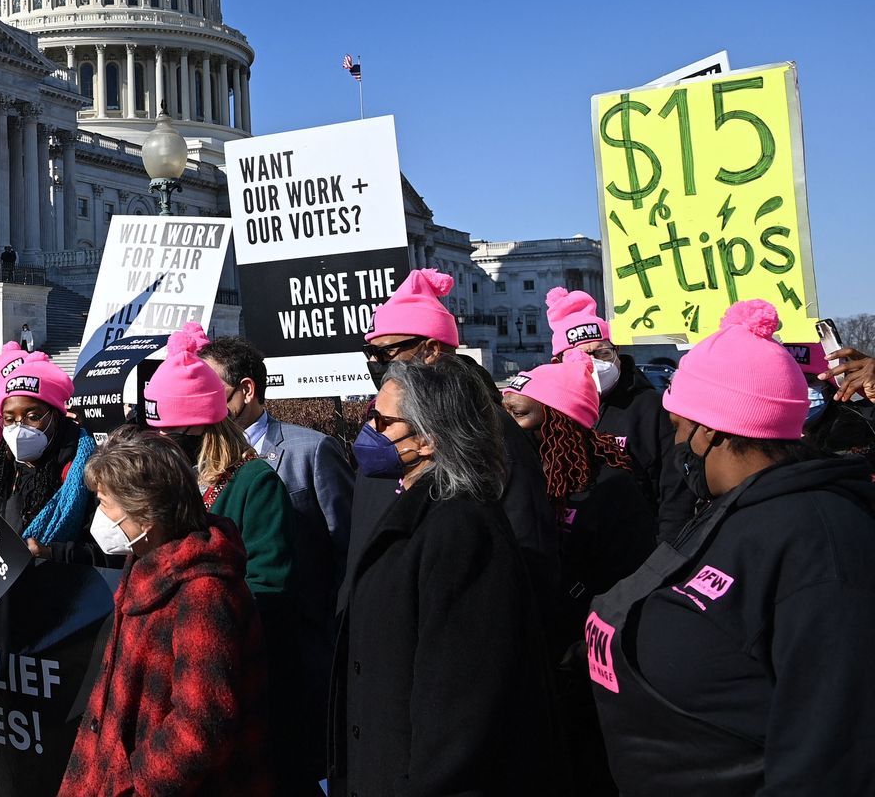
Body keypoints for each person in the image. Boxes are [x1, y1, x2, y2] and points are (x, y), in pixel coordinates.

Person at [588, 301, 875, 793]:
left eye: (678, 428)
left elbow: (830, 753)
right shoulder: (731, 509)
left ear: (710, 430)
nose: (675, 444)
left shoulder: (819, 538)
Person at [331, 361, 565, 797]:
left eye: (381, 421)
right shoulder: (416, 504)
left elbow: (458, 703)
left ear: (427, 438)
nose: (369, 431)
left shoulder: (460, 529)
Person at [142, 324, 316, 794]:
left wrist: (199, 613)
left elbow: (270, 585)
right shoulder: (175, 484)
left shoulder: (253, 483)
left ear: (202, 428)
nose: (164, 445)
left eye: (173, 435)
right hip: (175, 670)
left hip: (236, 676)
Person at [59, 432, 269, 796]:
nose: (99, 517)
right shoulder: (146, 565)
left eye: (105, 503)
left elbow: (201, 726)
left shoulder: (204, 591)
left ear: (146, 513)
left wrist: (134, 786)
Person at [353, 269, 560, 603]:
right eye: (370, 353)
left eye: (385, 353)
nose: (376, 364)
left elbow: (528, 548)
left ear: (430, 350)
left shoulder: (490, 427)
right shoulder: (378, 423)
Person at [501, 351, 656, 791]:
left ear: (559, 421)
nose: (508, 428)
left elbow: (626, 585)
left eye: (519, 414)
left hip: (587, 677)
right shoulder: (513, 485)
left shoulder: (612, 488)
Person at [200, 334, 354, 609]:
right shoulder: (198, 458)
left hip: (303, 626)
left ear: (246, 390)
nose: (202, 401)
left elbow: (347, 544)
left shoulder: (312, 450)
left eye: (211, 390)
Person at [546, 288, 689, 539]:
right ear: (558, 361)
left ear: (617, 351)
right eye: (581, 355)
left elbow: (675, 488)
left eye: (602, 352)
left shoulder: (651, 407)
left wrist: (665, 551)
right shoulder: (550, 410)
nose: (594, 363)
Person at [0, 354, 100, 559]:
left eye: (32, 417)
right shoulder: (4, 466)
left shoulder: (88, 468)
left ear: (55, 416)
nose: (19, 428)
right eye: (10, 419)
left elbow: (109, 553)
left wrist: (52, 553)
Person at [786, 340, 875, 457]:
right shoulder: (757, 442)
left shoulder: (863, 427)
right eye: (788, 380)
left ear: (829, 387)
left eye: (808, 381)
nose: (798, 389)